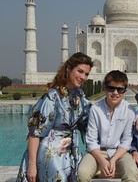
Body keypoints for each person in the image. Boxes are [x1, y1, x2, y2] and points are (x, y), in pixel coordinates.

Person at [16, 52, 94, 182]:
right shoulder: (53, 96)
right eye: (80, 71)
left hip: (70, 153)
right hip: (51, 155)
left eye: (86, 74)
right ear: (69, 69)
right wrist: (32, 165)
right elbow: (35, 133)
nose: (83, 77)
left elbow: (91, 119)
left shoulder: (79, 95)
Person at [78, 70, 138, 182]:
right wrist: (102, 160)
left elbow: (127, 141)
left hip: (120, 152)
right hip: (97, 152)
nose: (115, 93)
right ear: (105, 88)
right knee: (82, 173)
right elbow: (91, 140)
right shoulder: (96, 109)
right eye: (111, 88)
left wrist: (113, 160)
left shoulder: (129, 110)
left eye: (120, 89)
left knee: (132, 171)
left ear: (125, 91)